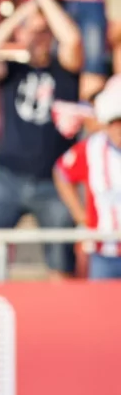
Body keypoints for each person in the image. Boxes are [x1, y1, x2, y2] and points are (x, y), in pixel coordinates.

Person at [0, 0, 83, 280]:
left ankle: (67, 324)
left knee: (62, 267)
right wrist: (20, 16)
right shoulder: (11, 71)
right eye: (31, 31)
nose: (36, 38)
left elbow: (73, 40)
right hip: (7, 177)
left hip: (52, 182)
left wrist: (43, 0)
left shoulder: (65, 69)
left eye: (43, 31)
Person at [53, 87, 121, 280]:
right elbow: (61, 171)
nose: (119, 129)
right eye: (114, 123)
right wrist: (81, 216)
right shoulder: (92, 148)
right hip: (103, 250)